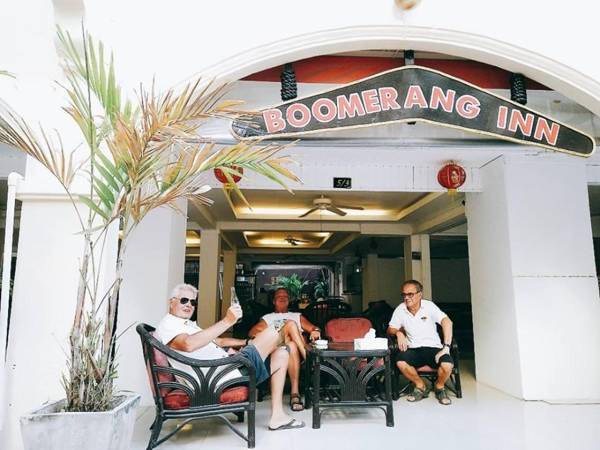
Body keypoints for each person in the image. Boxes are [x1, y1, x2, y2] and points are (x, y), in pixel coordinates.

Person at [157, 283, 305, 431]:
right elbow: (188, 344)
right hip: (216, 379)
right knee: (276, 330)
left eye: (193, 302)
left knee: (282, 353)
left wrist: (246, 342)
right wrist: (227, 321)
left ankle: (277, 417)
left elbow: (219, 341)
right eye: (184, 300)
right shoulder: (169, 324)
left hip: (227, 369)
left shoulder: (187, 325)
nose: (189, 305)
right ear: (172, 302)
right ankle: (306, 357)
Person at [248, 287, 321, 412]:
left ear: (289, 300)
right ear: (273, 301)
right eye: (279, 297)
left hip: (294, 349)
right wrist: (277, 331)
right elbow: (252, 333)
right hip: (277, 347)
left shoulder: (297, 315)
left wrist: (316, 331)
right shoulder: (268, 318)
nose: (282, 298)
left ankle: (294, 393)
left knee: (292, 345)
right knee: (291, 324)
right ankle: (308, 358)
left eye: (285, 297)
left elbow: (314, 328)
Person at [387, 279, 455, 405]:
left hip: (434, 348)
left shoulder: (429, 306)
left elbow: (447, 322)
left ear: (419, 294)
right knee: (400, 362)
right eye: (404, 294)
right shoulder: (400, 309)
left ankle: (439, 387)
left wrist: (446, 347)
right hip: (413, 349)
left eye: (410, 294)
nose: (406, 298)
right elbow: (390, 328)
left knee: (447, 365)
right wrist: (399, 333)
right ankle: (420, 386)